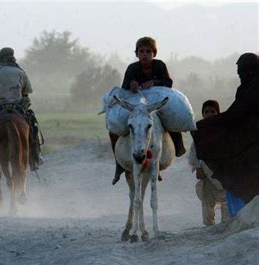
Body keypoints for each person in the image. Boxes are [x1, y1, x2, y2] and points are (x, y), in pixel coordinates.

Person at [111, 36, 185, 185]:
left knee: (169, 116)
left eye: (148, 51)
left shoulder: (159, 65)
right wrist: (131, 84)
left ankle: (177, 146)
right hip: (136, 102)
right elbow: (125, 85)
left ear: (154, 53)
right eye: (141, 51)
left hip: (155, 100)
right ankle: (118, 163)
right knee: (116, 125)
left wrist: (154, 82)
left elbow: (168, 82)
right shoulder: (132, 68)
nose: (145, 54)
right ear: (137, 53)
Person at [193, 53, 259, 210]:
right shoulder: (244, 88)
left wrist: (210, 125)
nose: (238, 73)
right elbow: (236, 112)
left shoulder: (255, 87)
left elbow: (240, 112)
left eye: (240, 68)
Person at [0, 47, 42, 171]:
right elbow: (27, 91)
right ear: (13, 57)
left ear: (0, 58)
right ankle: (35, 156)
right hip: (18, 108)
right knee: (32, 127)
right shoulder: (21, 73)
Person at [189, 100, 228, 225]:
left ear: (218, 113)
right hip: (207, 174)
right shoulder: (198, 132)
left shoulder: (224, 130)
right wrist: (198, 168)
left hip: (225, 175)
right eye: (206, 112)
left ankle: (227, 225)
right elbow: (194, 151)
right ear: (203, 114)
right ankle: (209, 226)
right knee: (206, 196)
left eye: (213, 111)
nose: (209, 114)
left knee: (228, 201)